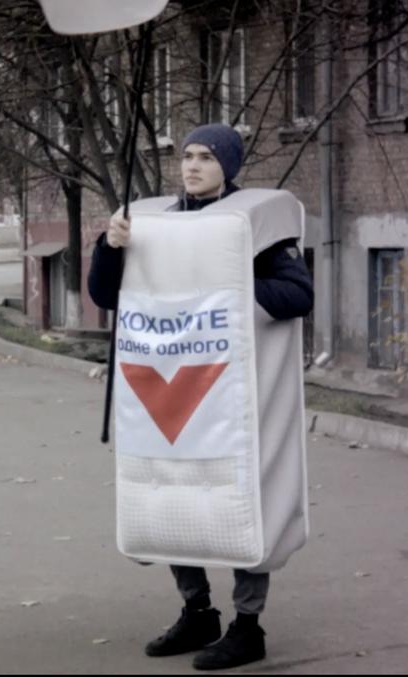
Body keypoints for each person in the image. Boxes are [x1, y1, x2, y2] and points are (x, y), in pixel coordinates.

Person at [87, 123, 314, 671]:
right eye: (186, 156)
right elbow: (103, 293)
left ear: (228, 166)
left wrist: (230, 285)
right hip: (168, 386)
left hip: (232, 395)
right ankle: (198, 612)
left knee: (239, 503)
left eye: (206, 158)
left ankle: (247, 625)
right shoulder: (153, 223)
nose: (191, 166)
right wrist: (109, 246)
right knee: (174, 499)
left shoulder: (255, 224)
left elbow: (297, 295)